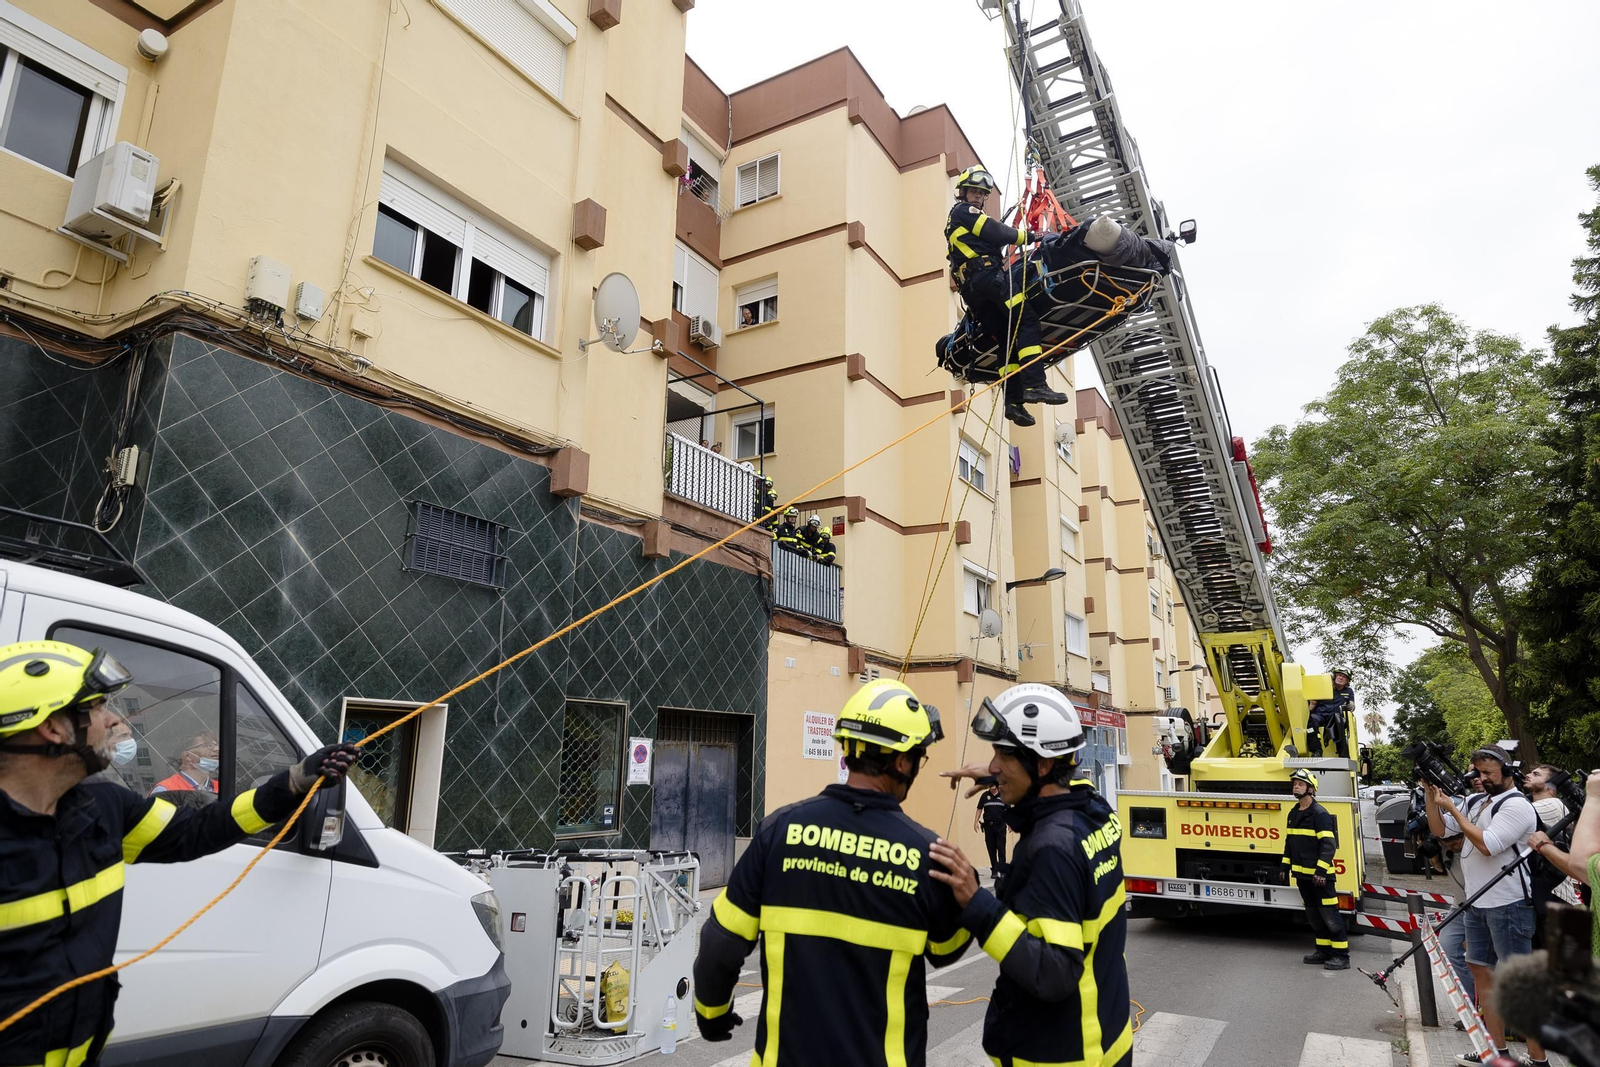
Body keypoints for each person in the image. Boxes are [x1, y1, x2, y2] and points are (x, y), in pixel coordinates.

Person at [0, 640, 359, 1067]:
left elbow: (196, 831)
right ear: (54, 728)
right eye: (96, 708)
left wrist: (294, 783)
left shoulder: (103, 807)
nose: (114, 720)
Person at [690, 679, 968, 1065]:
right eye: (918, 758)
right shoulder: (926, 852)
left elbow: (720, 943)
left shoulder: (778, 832)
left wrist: (711, 1014)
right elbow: (946, 948)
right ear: (902, 762)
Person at [930, 684, 1132, 1067]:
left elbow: (1055, 973)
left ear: (1041, 765)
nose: (991, 765)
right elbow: (1071, 787)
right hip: (1107, 1038)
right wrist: (1001, 778)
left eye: (1003, 755)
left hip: (1063, 1054)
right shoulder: (1096, 812)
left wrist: (979, 905)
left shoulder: (1051, 850)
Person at [1425, 745, 1549, 1067]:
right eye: (1477, 773)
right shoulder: (1479, 801)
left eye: (1487, 774)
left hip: (1508, 904)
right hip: (1476, 903)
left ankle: (1539, 1060)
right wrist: (1430, 794)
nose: (1479, 779)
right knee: (1483, 975)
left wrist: (1453, 809)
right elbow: (1440, 831)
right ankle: (1497, 1054)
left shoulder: (1517, 805)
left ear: (1508, 773)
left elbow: (1488, 845)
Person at [944, 166, 1068, 428]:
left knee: (1007, 338)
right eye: (974, 191)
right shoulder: (963, 212)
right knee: (1026, 320)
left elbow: (990, 238)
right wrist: (1033, 236)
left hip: (975, 291)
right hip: (988, 279)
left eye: (982, 193)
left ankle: (1013, 403)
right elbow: (997, 232)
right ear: (963, 192)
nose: (978, 197)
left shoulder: (960, 222)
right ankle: (1036, 384)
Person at [1280, 768, 1349, 970]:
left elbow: (1328, 845)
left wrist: (1320, 872)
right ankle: (1323, 951)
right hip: (1303, 877)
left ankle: (1342, 956)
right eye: (1294, 783)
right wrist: (1285, 865)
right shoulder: (1293, 813)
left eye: (1300, 784)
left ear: (1310, 789)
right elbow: (1289, 842)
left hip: (1321, 878)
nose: (1296, 786)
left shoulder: (1320, 814)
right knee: (1314, 917)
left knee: (1330, 917)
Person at [1305, 669, 1355, 756]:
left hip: (1334, 716)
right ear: (1335, 676)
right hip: (1319, 714)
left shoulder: (1349, 691)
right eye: (1339, 675)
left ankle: (1342, 752)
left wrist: (1351, 704)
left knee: (1340, 721)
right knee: (1311, 722)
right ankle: (1317, 751)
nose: (1341, 678)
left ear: (1347, 681)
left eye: (1344, 677)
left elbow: (1351, 704)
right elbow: (1313, 703)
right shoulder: (1324, 687)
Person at [152, 732, 220, 793]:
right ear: (187, 756)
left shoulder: (222, 787)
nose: (217, 749)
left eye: (216, 745)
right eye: (209, 745)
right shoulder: (165, 789)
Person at [974, 782, 1008, 883]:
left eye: (994, 784)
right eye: (990, 785)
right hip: (989, 827)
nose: (992, 787)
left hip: (1001, 826)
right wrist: (975, 822)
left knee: (1001, 848)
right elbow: (979, 809)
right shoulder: (984, 796)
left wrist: (1011, 824)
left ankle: (1002, 870)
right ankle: (994, 869)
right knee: (991, 848)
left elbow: (1009, 810)